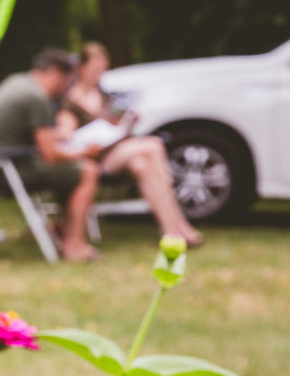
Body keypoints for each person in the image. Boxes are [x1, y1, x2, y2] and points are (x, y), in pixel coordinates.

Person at [60, 41, 203, 246]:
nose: (98, 74)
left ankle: (171, 230)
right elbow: (67, 137)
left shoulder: (106, 96)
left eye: (102, 68)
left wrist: (127, 122)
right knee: (153, 145)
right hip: (97, 157)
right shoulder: (71, 102)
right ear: (82, 68)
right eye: (94, 68)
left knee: (143, 166)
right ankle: (178, 226)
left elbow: (116, 127)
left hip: (119, 151)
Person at [0, 48, 102, 261]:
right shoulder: (37, 97)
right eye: (67, 81)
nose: (66, 88)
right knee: (87, 171)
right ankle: (74, 246)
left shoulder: (19, 82)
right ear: (57, 74)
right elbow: (51, 156)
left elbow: (31, 136)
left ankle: (64, 232)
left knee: (70, 172)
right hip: (5, 170)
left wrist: (58, 137)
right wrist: (85, 151)